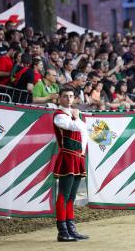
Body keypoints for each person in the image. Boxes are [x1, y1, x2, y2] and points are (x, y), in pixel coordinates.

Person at [53, 86, 89, 242]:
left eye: (71, 96)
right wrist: (76, 117)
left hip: (77, 156)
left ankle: (71, 228)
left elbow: (84, 133)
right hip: (67, 156)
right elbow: (74, 126)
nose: (68, 99)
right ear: (59, 98)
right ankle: (62, 231)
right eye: (65, 96)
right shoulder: (59, 115)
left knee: (72, 196)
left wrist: (82, 151)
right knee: (64, 194)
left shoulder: (76, 114)